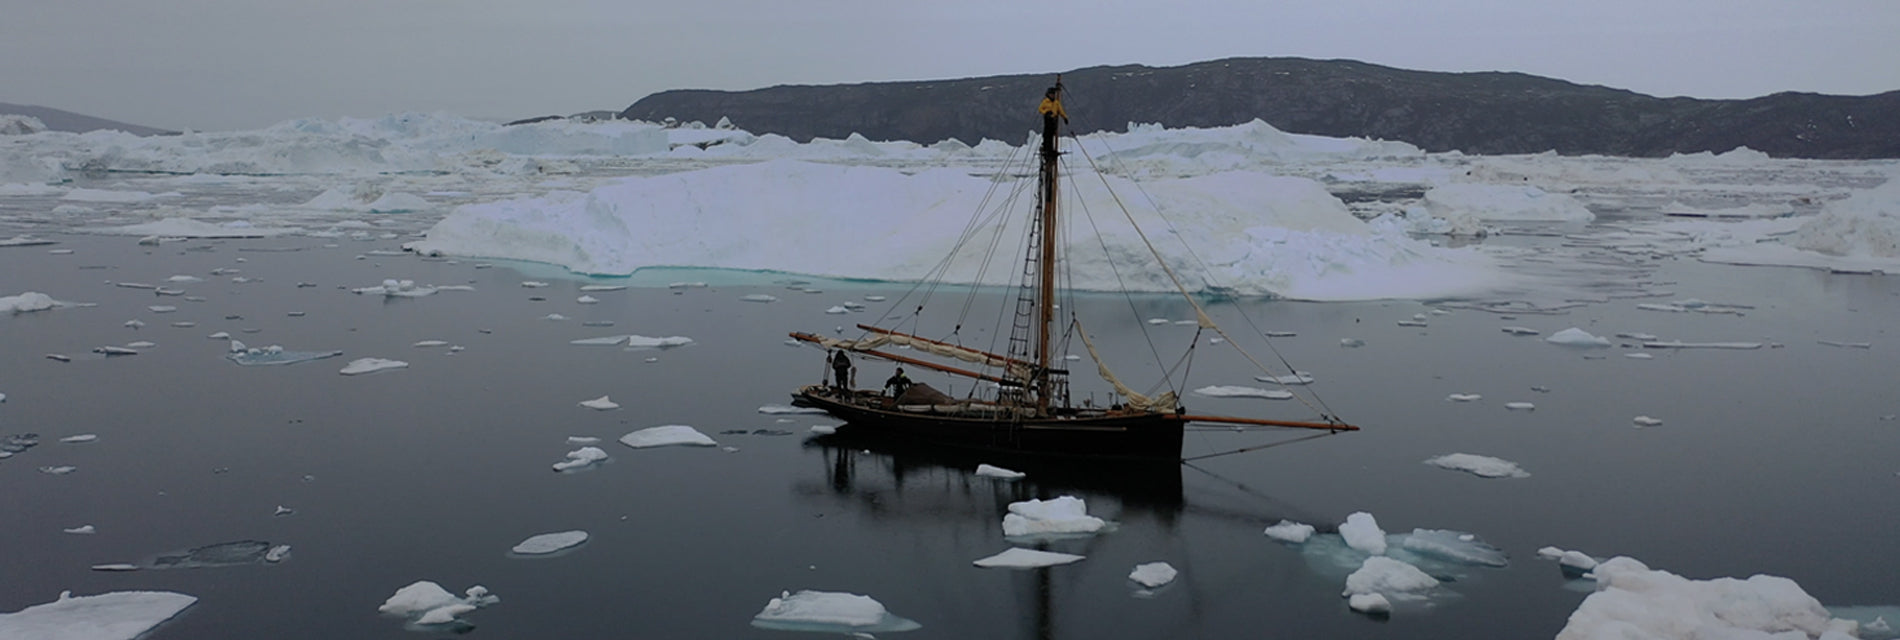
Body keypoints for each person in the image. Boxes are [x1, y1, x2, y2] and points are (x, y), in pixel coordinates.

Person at [1037, 84, 1067, 156]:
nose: (1052, 96)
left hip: (1054, 119)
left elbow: (1061, 110)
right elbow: (1040, 109)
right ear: (1048, 94)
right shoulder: (1045, 101)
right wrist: (1046, 112)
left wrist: (1065, 117)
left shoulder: (1056, 103)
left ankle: (1051, 149)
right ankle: (1047, 148)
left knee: (1052, 134)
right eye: (1051, 94)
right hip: (1048, 119)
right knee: (1047, 134)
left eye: (1053, 94)